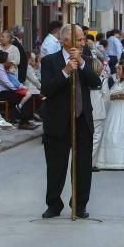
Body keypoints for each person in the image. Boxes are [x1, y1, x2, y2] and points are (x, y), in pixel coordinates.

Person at [40, 25, 101, 219]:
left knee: (83, 166)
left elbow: (95, 82)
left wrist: (82, 63)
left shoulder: (87, 60)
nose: (84, 43)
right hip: (58, 121)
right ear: (66, 41)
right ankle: (53, 204)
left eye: (83, 39)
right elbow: (47, 90)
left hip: (82, 119)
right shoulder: (50, 61)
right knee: (56, 166)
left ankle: (80, 204)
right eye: (80, 39)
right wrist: (65, 71)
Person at [95, 60, 124, 170]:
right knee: (113, 133)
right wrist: (118, 96)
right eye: (117, 69)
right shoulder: (118, 83)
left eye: (120, 69)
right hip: (116, 110)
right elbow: (110, 96)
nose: (117, 71)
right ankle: (112, 160)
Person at [0, 51, 36, 129]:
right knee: (23, 97)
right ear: (6, 59)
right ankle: (23, 121)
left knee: (27, 96)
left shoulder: (3, 67)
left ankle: (26, 119)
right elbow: (8, 83)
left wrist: (19, 87)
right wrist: (19, 88)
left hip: (6, 90)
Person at [90, 59, 110, 165]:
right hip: (98, 112)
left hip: (87, 112)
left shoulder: (85, 79)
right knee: (96, 138)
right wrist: (105, 110)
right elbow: (106, 97)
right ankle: (90, 163)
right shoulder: (102, 80)